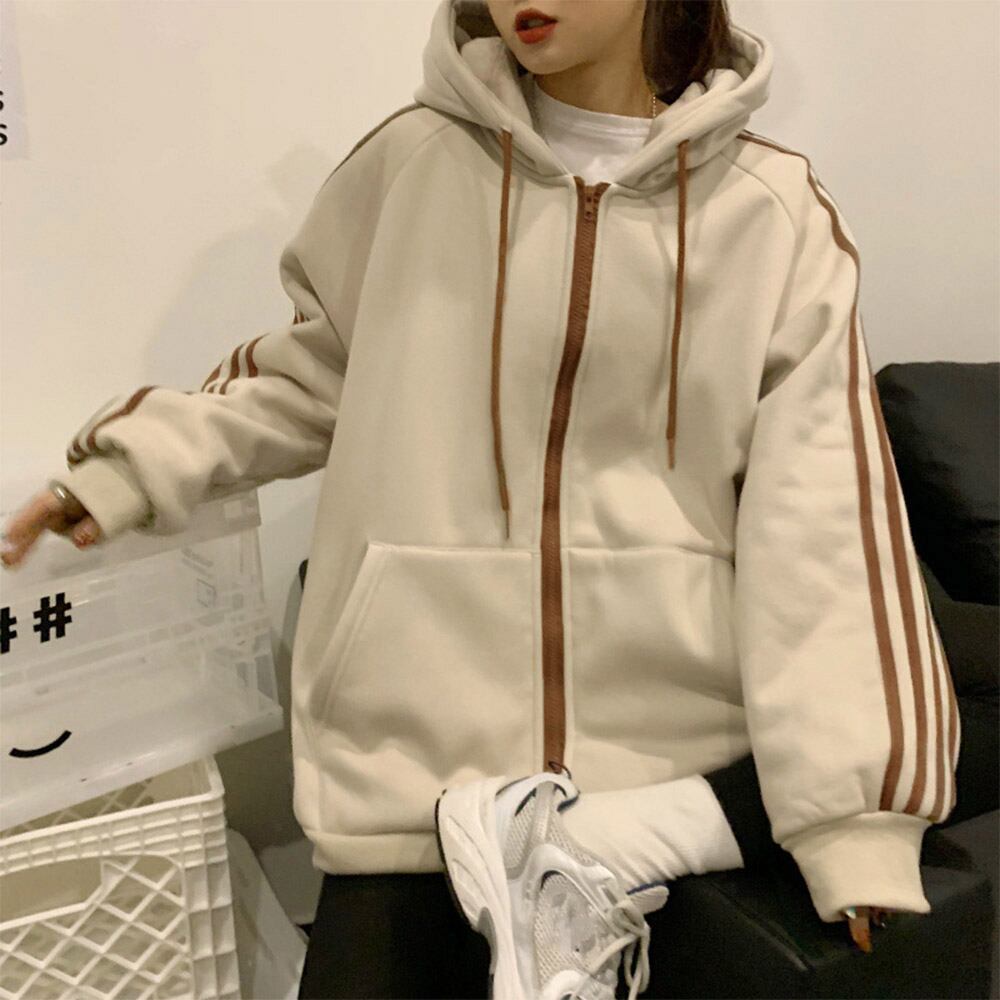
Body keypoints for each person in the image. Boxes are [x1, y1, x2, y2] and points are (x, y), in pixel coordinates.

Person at [1, 0, 961, 996]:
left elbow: (825, 509)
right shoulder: (408, 166)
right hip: (413, 767)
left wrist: (857, 829)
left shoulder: (770, 209)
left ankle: (619, 837)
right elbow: (306, 374)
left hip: (663, 767)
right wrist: (132, 467)